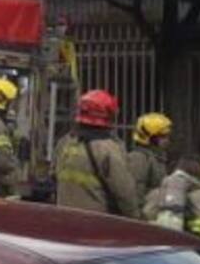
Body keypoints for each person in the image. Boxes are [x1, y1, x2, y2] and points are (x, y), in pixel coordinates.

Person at [54, 90, 139, 218]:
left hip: (64, 218)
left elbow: (55, 175)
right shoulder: (108, 149)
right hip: (96, 224)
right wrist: (136, 219)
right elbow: (124, 193)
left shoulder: (65, 143)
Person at [128, 112, 172, 197]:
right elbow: (136, 190)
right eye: (162, 136)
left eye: (167, 136)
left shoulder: (157, 157)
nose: (167, 140)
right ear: (150, 137)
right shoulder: (138, 158)